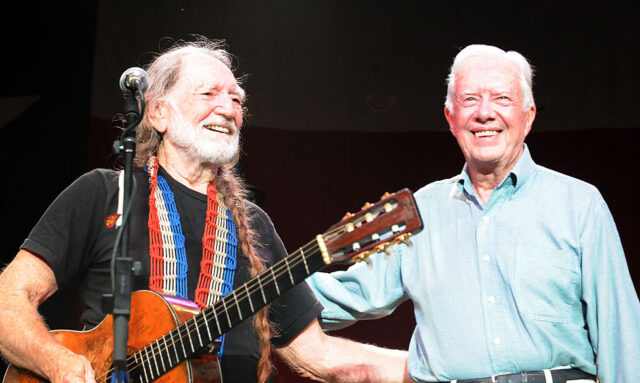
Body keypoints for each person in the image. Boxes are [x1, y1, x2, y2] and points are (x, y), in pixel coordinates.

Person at [0, 38, 412, 383]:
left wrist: (432, 367)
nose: (229, 109)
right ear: (158, 112)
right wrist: (59, 364)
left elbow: (321, 356)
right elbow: (8, 300)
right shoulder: (104, 193)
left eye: (237, 99)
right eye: (209, 94)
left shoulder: (254, 227)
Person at [308, 44, 640, 383]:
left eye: (501, 99)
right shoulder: (419, 210)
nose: (484, 113)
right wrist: (260, 292)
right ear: (451, 119)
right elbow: (349, 294)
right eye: (469, 100)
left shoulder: (580, 205)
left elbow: (621, 337)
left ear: (528, 116)